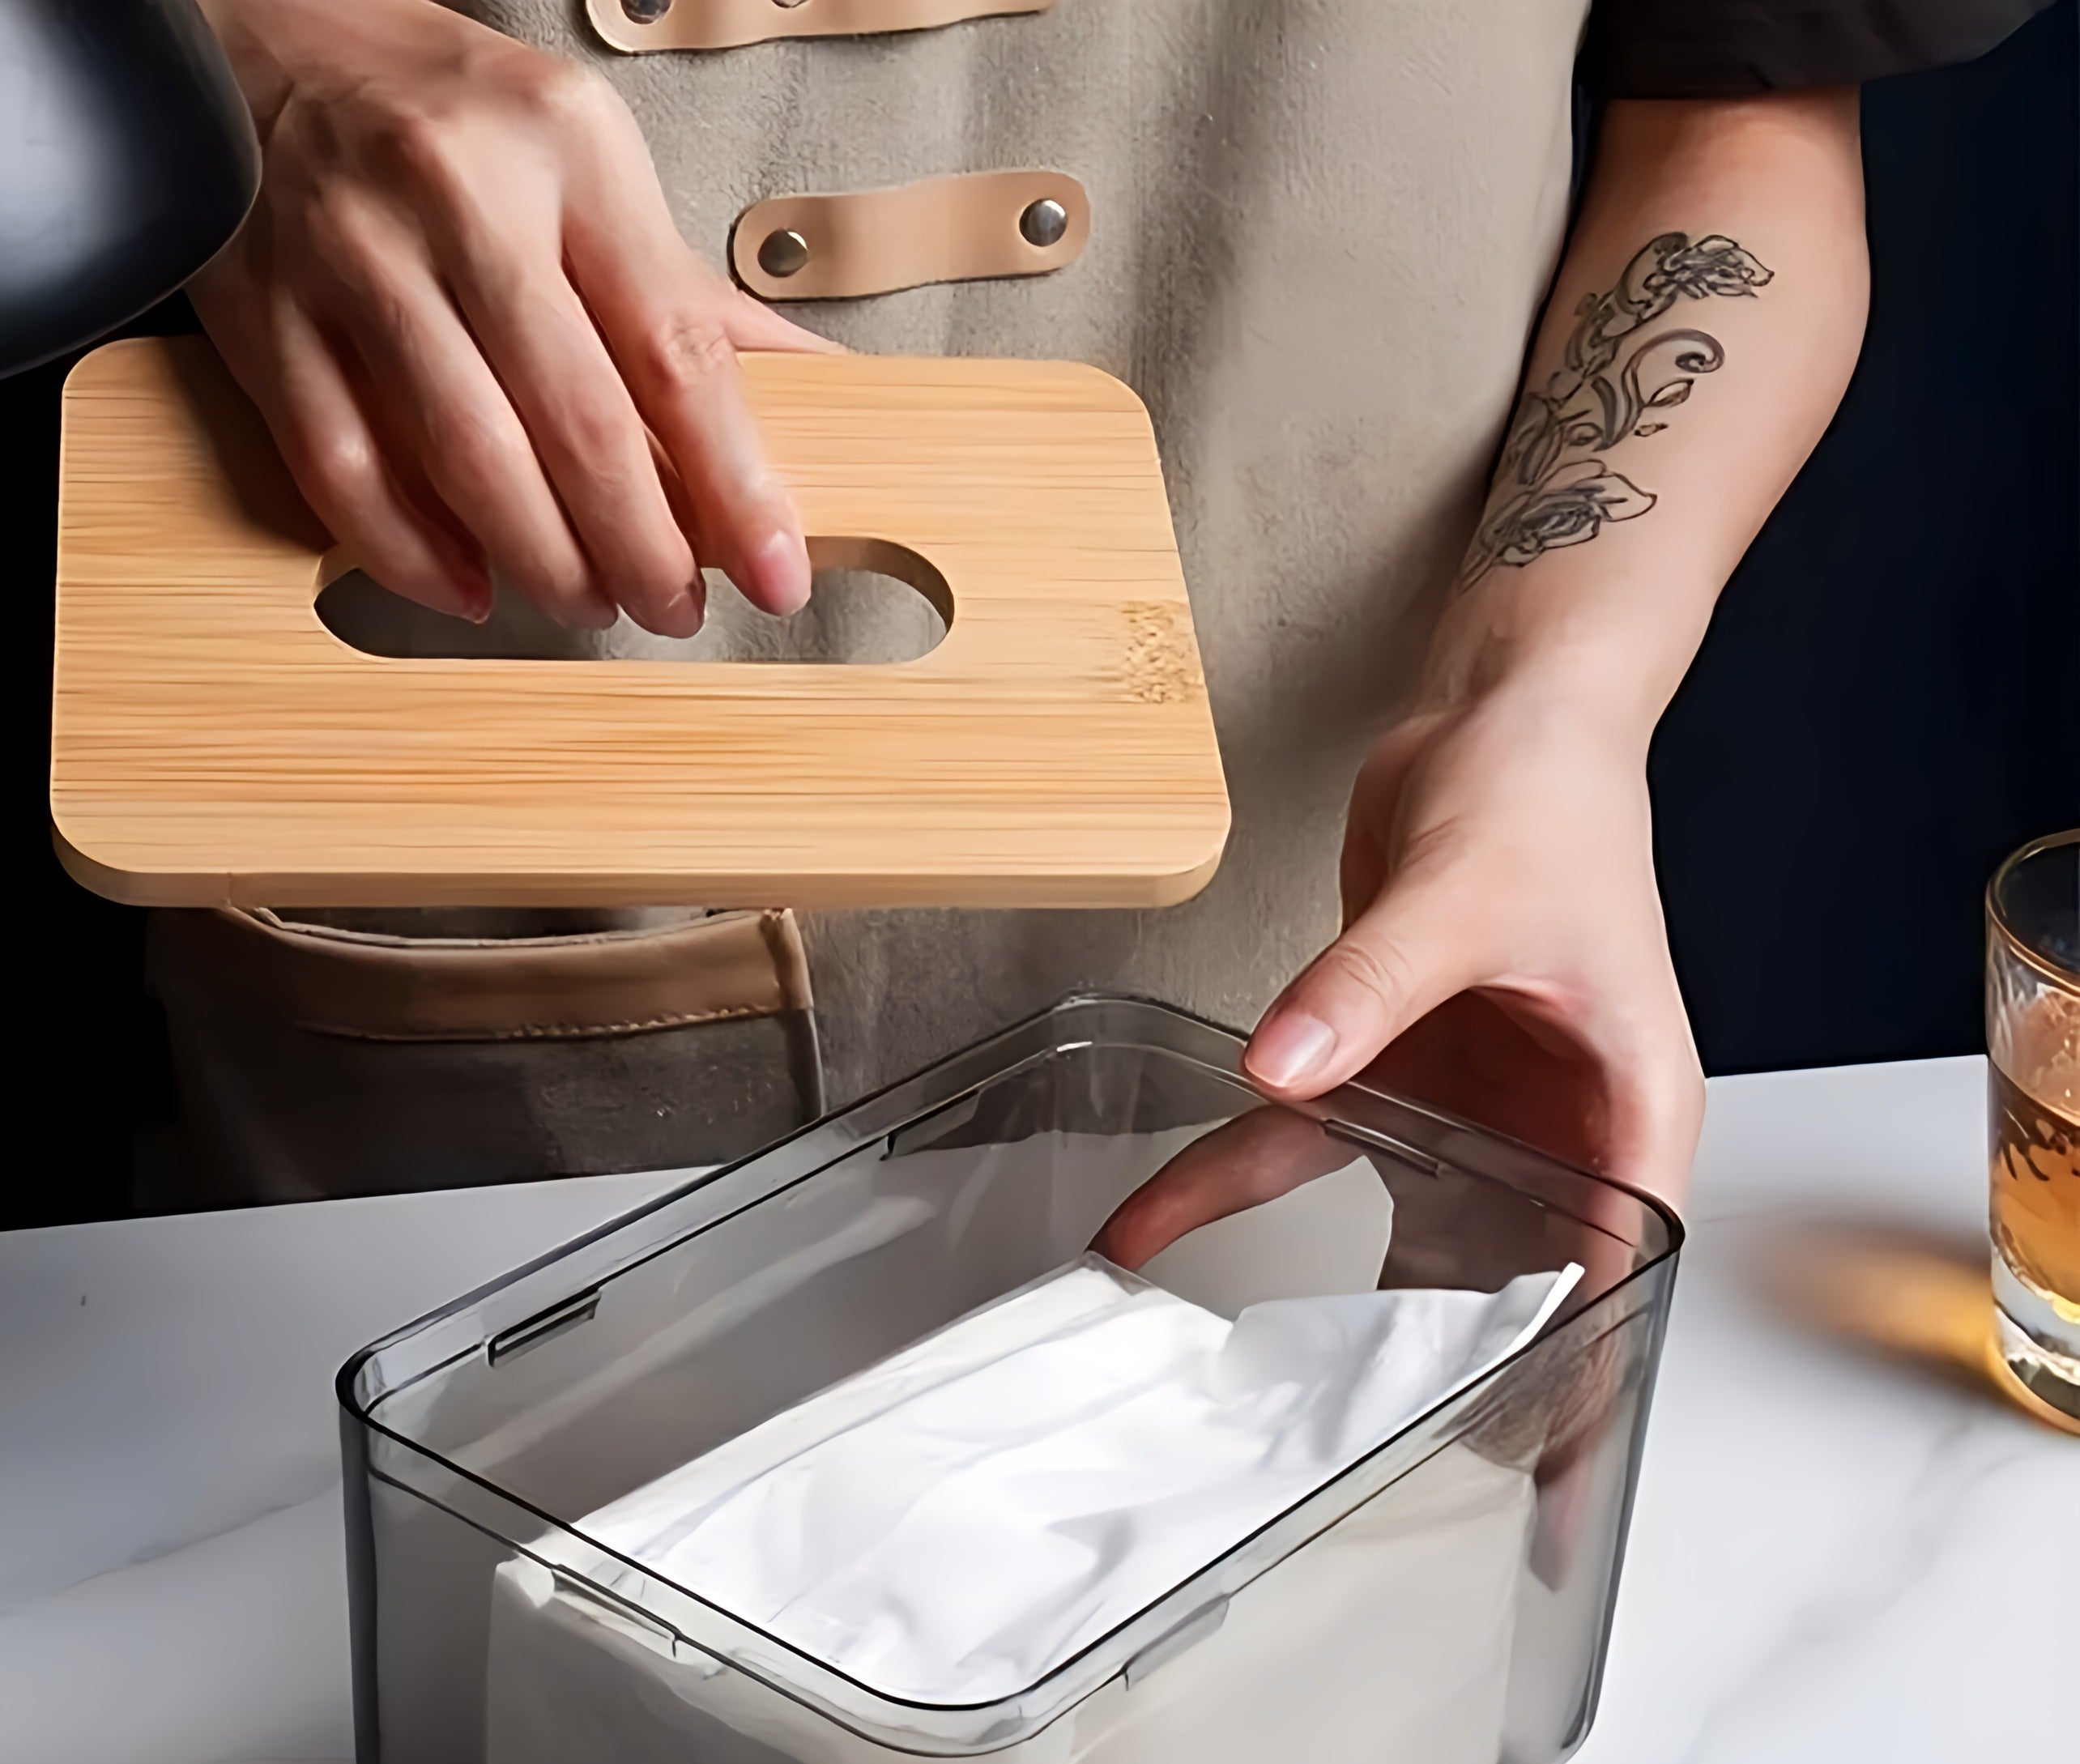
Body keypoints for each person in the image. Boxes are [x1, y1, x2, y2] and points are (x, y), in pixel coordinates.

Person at [157, 0, 2048, 1211]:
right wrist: (244, 43)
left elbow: (1737, 107)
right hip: (481, 895)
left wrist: (1549, 711)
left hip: (1334, 937)